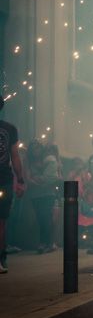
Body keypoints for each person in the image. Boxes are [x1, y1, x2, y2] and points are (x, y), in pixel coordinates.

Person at [0, 99, 26, 274]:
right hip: (5, 180)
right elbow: (15, 156)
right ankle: (1, 259)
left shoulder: (10, 129)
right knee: (1, 222)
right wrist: (21, 180)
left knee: (1, 221)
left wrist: (20, 180)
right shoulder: (9, 128)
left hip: (4, 180)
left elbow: (15, 156)